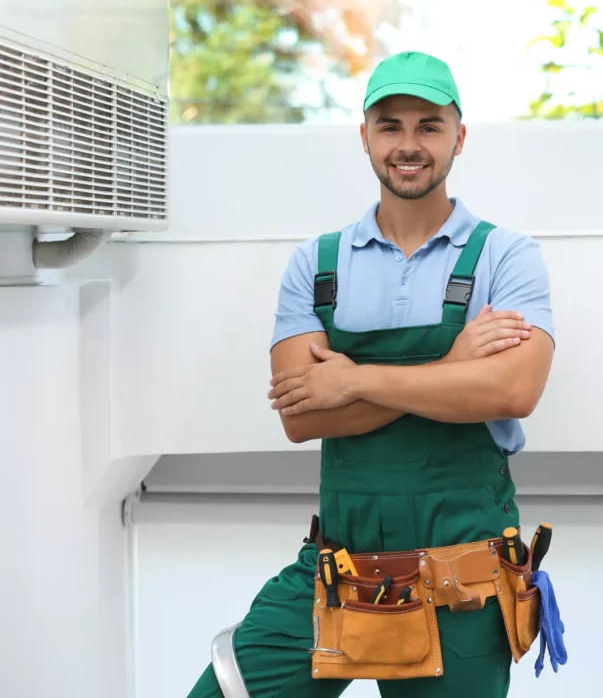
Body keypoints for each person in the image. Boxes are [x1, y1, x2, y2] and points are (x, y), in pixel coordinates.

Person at [188, 50, 555, 698]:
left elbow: (511, 390)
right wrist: (449, 370)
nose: (408, 144)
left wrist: (353, 380)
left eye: (428, 125)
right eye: (390, 125)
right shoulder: (317, 264)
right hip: (336, 575)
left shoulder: (505, 256)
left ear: (459, 137)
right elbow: (302, 417)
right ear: (364, 135)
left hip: (460, 587)